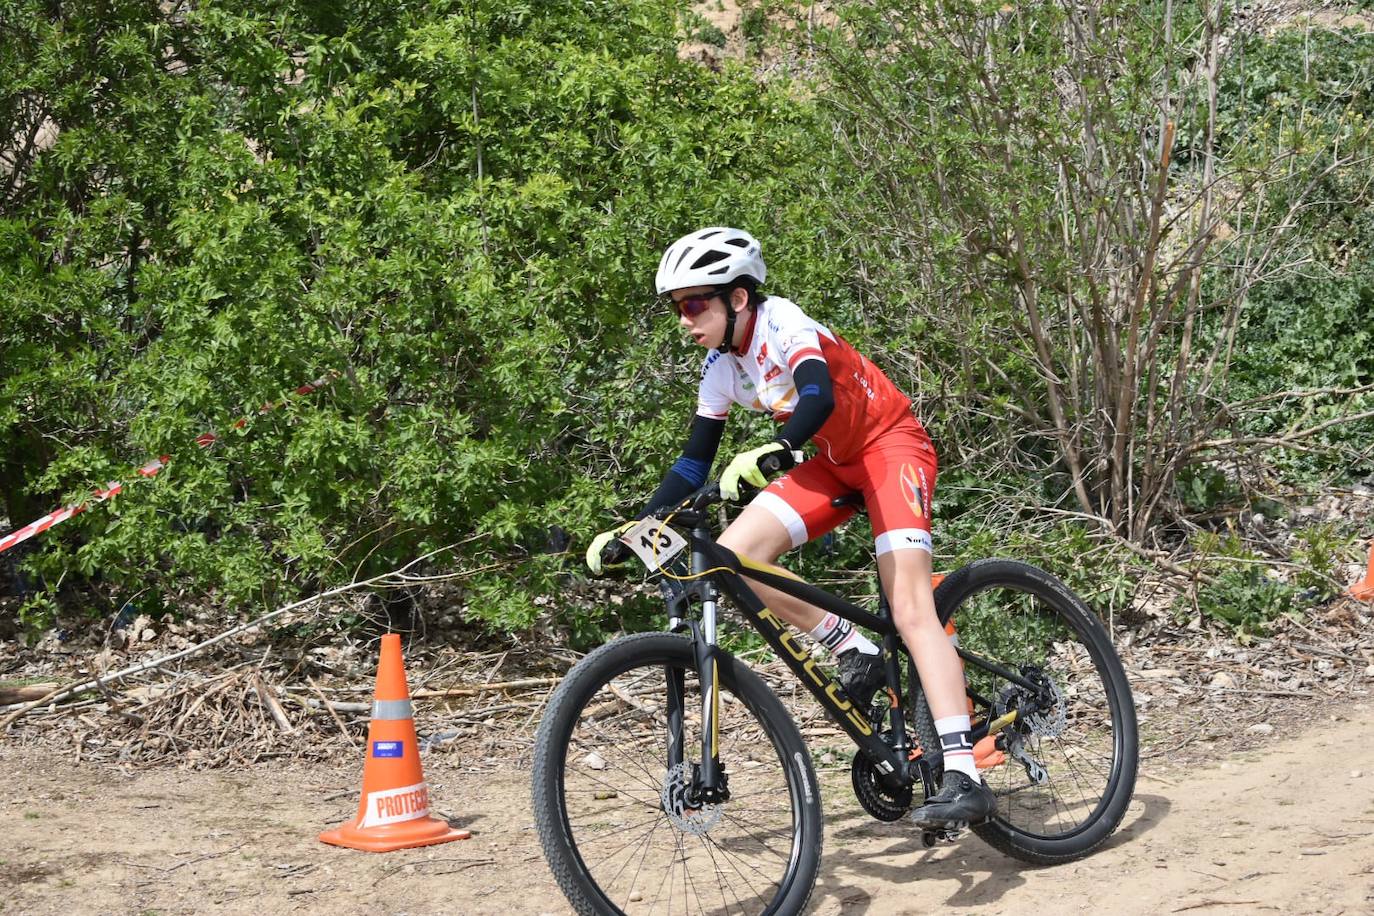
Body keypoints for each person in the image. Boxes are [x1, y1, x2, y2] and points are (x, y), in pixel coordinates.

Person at [585, 227, 994, 826]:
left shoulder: (783, 321)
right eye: (677, 307)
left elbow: (817, 395)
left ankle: (964, 772)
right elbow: (693, 464)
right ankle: (851, 646)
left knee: (910, 606)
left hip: (890, 447)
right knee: (731, 559)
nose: (684, 319)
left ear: (738, 298)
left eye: (694, 303)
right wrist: (637, 528)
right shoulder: (720, 368)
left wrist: (779, 446)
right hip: (832, 463)